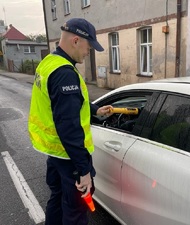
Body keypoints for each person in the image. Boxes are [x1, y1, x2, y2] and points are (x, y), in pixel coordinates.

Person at [28, 18, 113, 225]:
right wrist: (83, 170)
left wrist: (94, 110)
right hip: (69, 157)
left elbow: (63, 104)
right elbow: (69, 127)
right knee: (76, 210)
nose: (88, 52)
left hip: (55, 153)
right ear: (76, 40)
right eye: (88, 46)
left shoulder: (50, 62)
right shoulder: (65, 74)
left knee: (57, 200)